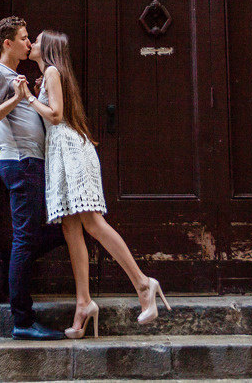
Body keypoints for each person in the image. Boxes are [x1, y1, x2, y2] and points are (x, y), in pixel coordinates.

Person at [19, 29, 171, 339]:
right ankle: (83, 303)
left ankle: (143, 283)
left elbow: (57, 115)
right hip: (62, 152)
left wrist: (29, 99)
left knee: (90, 222)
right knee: (70, 227)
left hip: (71, 151)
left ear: (47, 48)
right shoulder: (49, 74)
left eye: (36, 40)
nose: (31, 44)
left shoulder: (50, 70)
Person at [0, 16, 66, 340]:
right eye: (24, 38)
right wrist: (16, 99)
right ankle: (23, 321)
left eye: (30, 38)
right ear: (8, 44)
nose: (29, 44)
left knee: (30, 237)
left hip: (30, 163)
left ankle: (7, 259)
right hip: (20, 162)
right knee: (33, 237)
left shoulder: (14, 75)